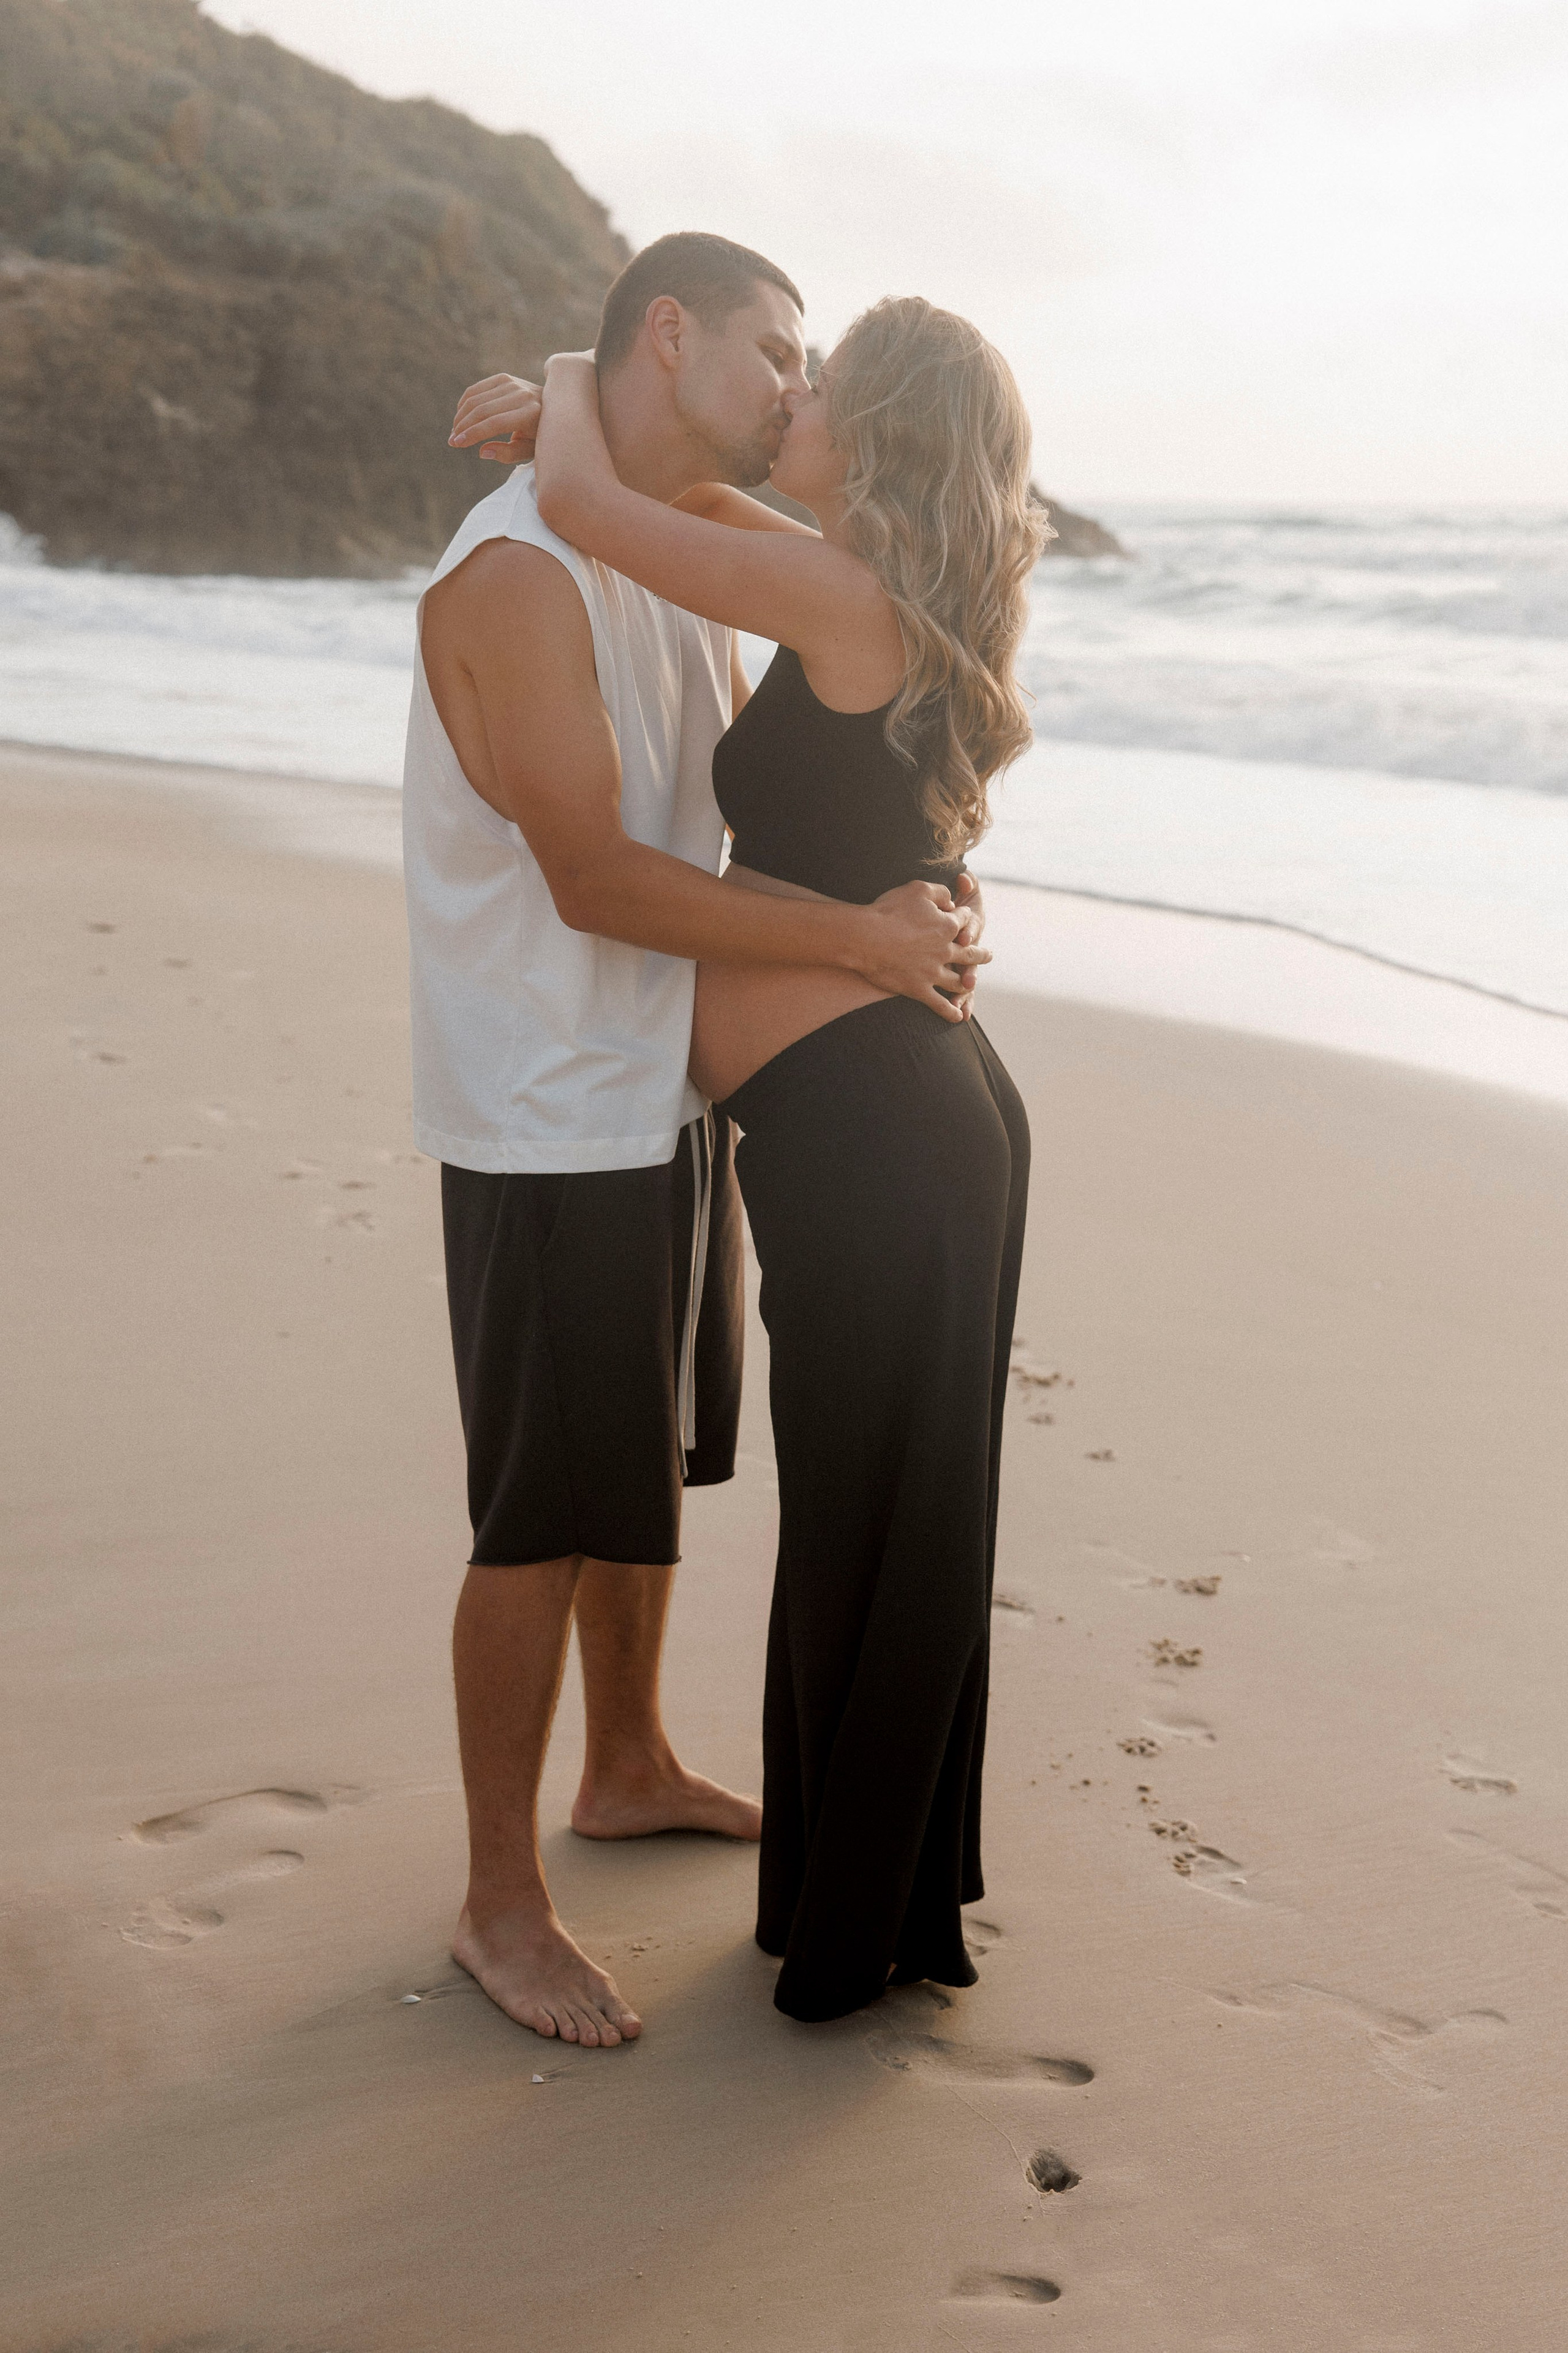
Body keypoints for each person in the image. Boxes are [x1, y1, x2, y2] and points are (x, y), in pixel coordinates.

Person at [408, 234, 989, 2051]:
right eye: (772, 352)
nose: (790, 392)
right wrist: (868, 937)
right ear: (674, 335)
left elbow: (788, 774)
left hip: (660, 1086)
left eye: (815, 371)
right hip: (549, 1110)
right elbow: (593, 874)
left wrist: (911, 886)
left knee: (644, 1470)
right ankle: (503, 1897)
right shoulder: (522, 573)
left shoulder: (659, 556)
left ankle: (633, 1761)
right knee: (542, 1514)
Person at [523, 296, 1044, 2022]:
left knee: (867, 1521)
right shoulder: (855, 576)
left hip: (882, 1132)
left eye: (822, 382)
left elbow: (606, 517)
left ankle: (857, 1925)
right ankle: (870, 1904)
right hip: (911, 1116)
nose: (791, 399)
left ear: (880, 436)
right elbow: (700, 516)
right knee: (889, 1520)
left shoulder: (838, 594)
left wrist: (549, 387)